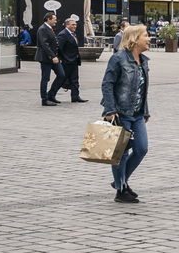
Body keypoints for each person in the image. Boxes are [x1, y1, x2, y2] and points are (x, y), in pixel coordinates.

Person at [99, 25, 151, 202]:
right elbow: (107, 84)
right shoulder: (118, 59)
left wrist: (145, 110)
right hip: (120, 113)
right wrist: (110, 110)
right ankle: (121, 190)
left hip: (137, 114)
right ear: (135, 39)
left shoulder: (144, 60)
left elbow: (142, 88)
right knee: (120, 153)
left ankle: (120, 181)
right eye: (146, 35)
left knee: (141, 148)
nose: (149, 39)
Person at [34, 11, 62, 106]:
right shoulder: (43, 29)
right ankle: (44, 99)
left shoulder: (50, 29)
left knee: (62, 74)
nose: (56, 21)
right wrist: (53, 56)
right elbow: (44, 45)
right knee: (45, 78)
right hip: (46, 58)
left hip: (53, 57)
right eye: (54, 19)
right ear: (48, 19)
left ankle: (51, 94)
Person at [58, 15, 88, 103]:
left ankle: (75, 96)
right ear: (67, 25)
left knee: (75, 79)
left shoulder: (73, 34)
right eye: (73, 25)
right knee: (62, 79)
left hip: (74, 60)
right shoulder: (63, 34)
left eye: (75, 24)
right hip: (66, 61)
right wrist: (61, 58)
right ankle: (51, 94)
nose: (75, 26)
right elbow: (59, 48)